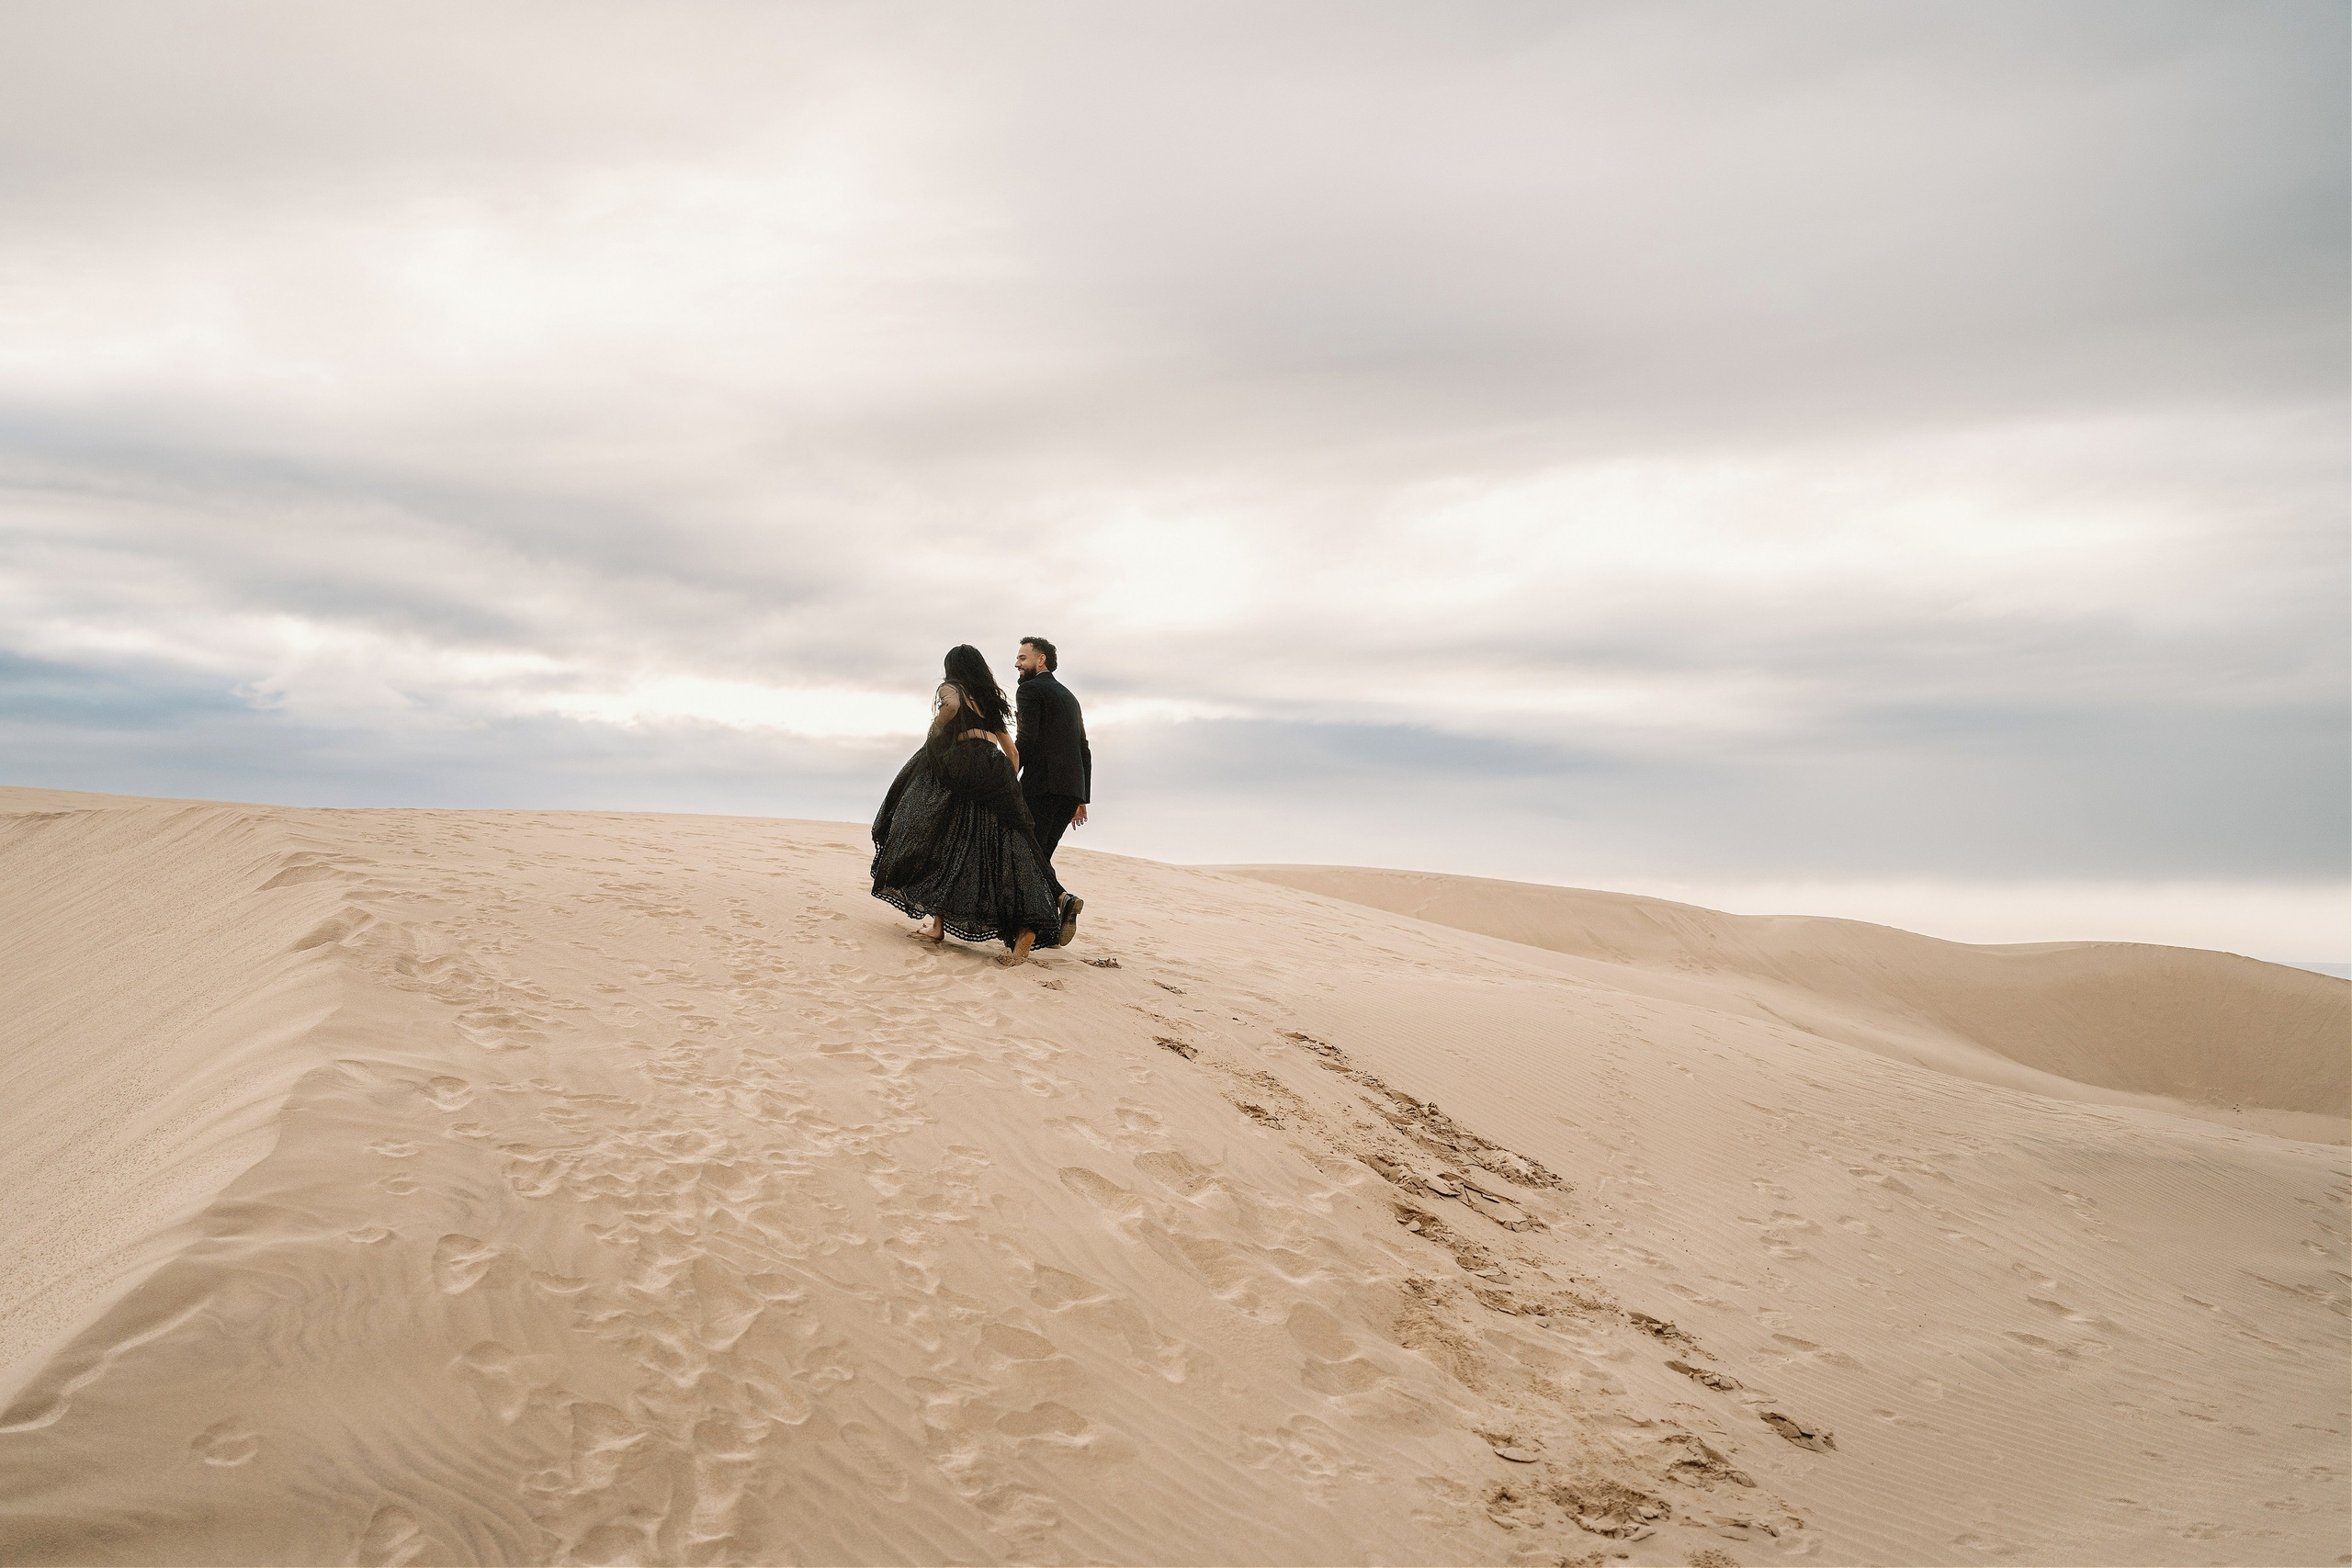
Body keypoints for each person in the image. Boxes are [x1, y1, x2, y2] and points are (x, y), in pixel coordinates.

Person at [870, 645, 1064, 965]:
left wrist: (939, 725)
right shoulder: (989, 698)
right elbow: (1013, 755)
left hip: (965, 766)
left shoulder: (953, 687)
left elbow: (951, 705)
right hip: (997, 769)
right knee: (1008, 846)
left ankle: (937, 927)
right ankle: (1025, 923)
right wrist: (1002, 786)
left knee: (946, 840)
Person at [1012, 635, 1091, 947]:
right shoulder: (1069, 696)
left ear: (1040, 660)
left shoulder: (1029, 690)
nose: (1017, 663)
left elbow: (1027, 741)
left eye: (1022, 658)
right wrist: (1081, 797)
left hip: (1041, 786)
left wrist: (1006, 774)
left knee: (1027, 853)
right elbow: (1083, 747)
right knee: (1040, 855)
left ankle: (1060, 900)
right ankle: (1050, 928)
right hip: (1070, 789)